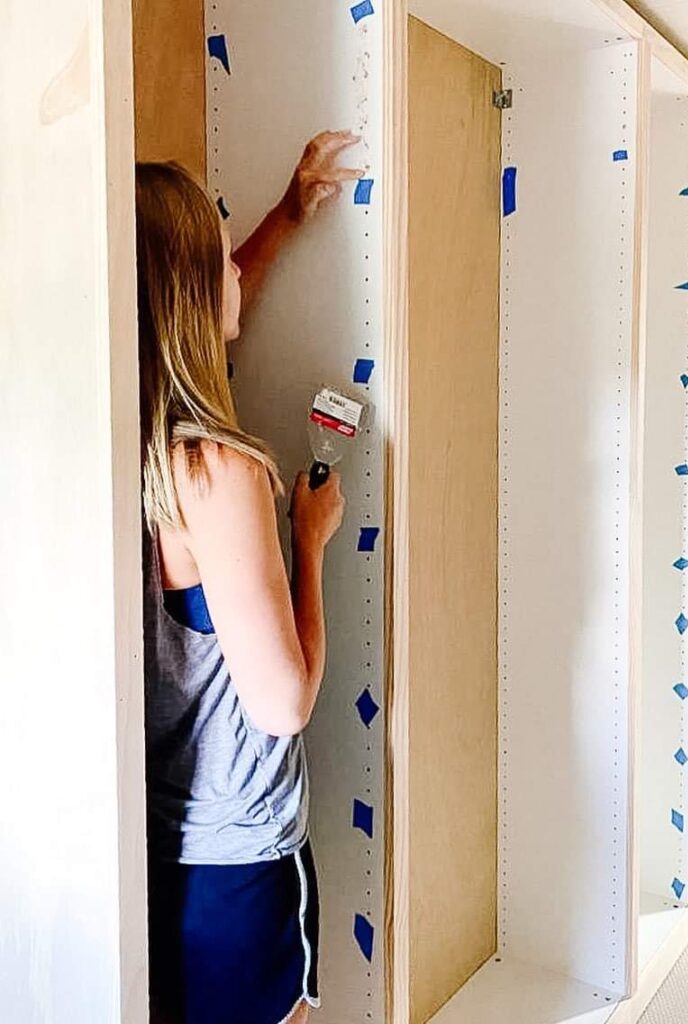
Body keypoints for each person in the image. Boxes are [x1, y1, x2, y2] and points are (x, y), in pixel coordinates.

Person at [136, 131, 362, 1024]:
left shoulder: (129, 437)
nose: (239, 270)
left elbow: (212, 300)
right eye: (219, 256)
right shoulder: (217, 472)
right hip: (241, 856)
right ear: (191, 291)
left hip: (157, 846)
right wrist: (308, 542)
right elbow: (282, 706)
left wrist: (288, 213)